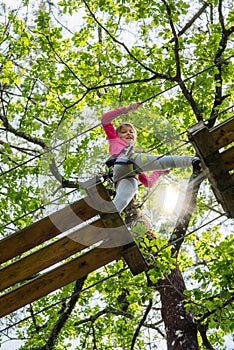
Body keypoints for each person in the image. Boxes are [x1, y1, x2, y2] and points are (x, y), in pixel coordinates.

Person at [101, 102, 201, 213]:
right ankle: (192, 161)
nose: (128, 133)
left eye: (131, 132)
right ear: (117, 136)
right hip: (122, 163)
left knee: (128, 191)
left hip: (125, 175)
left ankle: (111, 215)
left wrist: (159, 172)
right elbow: (105, 119)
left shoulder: (135, 162)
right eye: (123, 132)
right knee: (159, 160)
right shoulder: (115, 141)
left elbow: (148, 183)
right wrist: (126, 108)